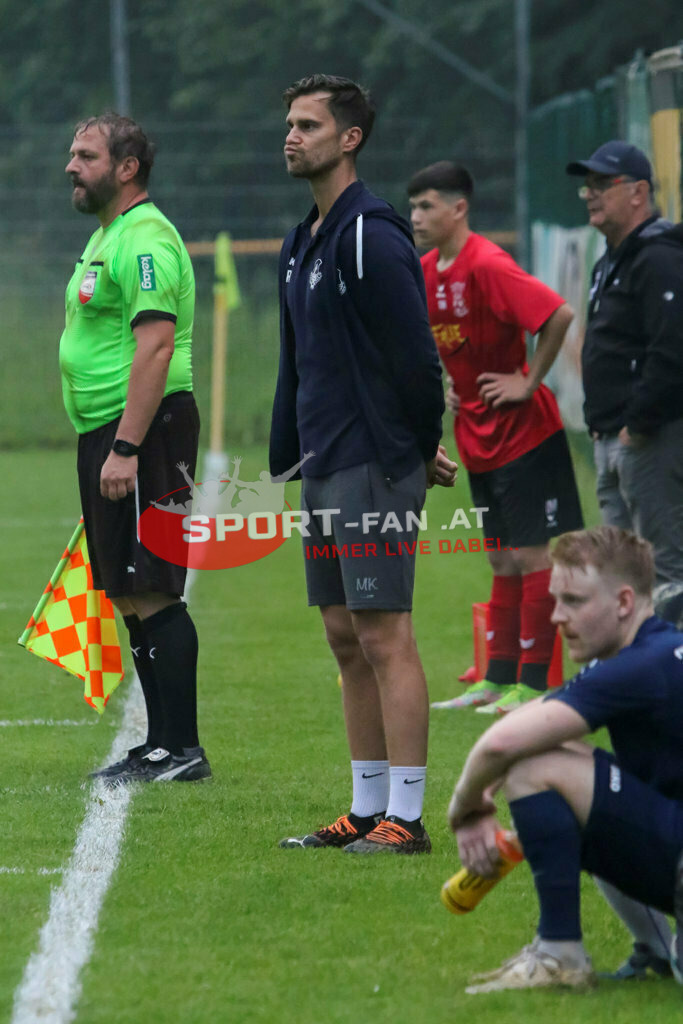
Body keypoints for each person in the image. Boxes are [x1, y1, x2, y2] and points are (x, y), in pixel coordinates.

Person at [270, 75, 456, 855]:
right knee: (344, 635)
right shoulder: (303, 238)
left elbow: (415, 361)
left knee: (384, 634)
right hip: (325, 462)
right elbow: (301, 362)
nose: (291, 136)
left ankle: (406, 819)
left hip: (371, 462)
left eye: (308, 125)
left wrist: (412, 447)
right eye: (288, 123)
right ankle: (364, 805)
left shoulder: (370, 233)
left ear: (348, 139)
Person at [447, 525, 683, 993]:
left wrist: (464, 808)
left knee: (536, 767)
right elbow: (535, 719)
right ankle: (654, 949)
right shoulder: (650, 652)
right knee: (552, 758)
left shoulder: (638, 667)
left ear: (623, 603)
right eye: (556, 600)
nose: (556, 617)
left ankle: (559, 954)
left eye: (573, 601)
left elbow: (500, 744)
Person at [60, 112, 210, 784]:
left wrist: (126, 445)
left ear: (126, 168)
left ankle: (182, 750)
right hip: (109, 430)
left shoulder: (144, 238)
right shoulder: (110, 237)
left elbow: (154, 345)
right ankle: (161, 746)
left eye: (86, 155)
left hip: (142, 430)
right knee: (127, 589)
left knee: (152, 588)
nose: (71, 166)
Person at [407, 161, 583, 714]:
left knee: (532, 556)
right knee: (502, 561)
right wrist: (450, 386)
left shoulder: (488, 263)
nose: (415, 216)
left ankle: (534, 685)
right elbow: (440, 342)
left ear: (459, 209)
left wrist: (529, 379)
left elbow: (558, 313)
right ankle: (496, 677)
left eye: (426, 206)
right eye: (412, 206)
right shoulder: (427, 269)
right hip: (476, 435)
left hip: (525, 435)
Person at [566, 140, 683, 628]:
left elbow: (672, 348)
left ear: (638, 192)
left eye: (602, 183)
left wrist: (638, 423)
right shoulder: (609, 260)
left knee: (666, 570)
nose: (591, 193)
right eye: (587, 185)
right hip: (612, 436)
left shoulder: (658, 256)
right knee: (621, 574)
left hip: (649, 437)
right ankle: (638, 684)